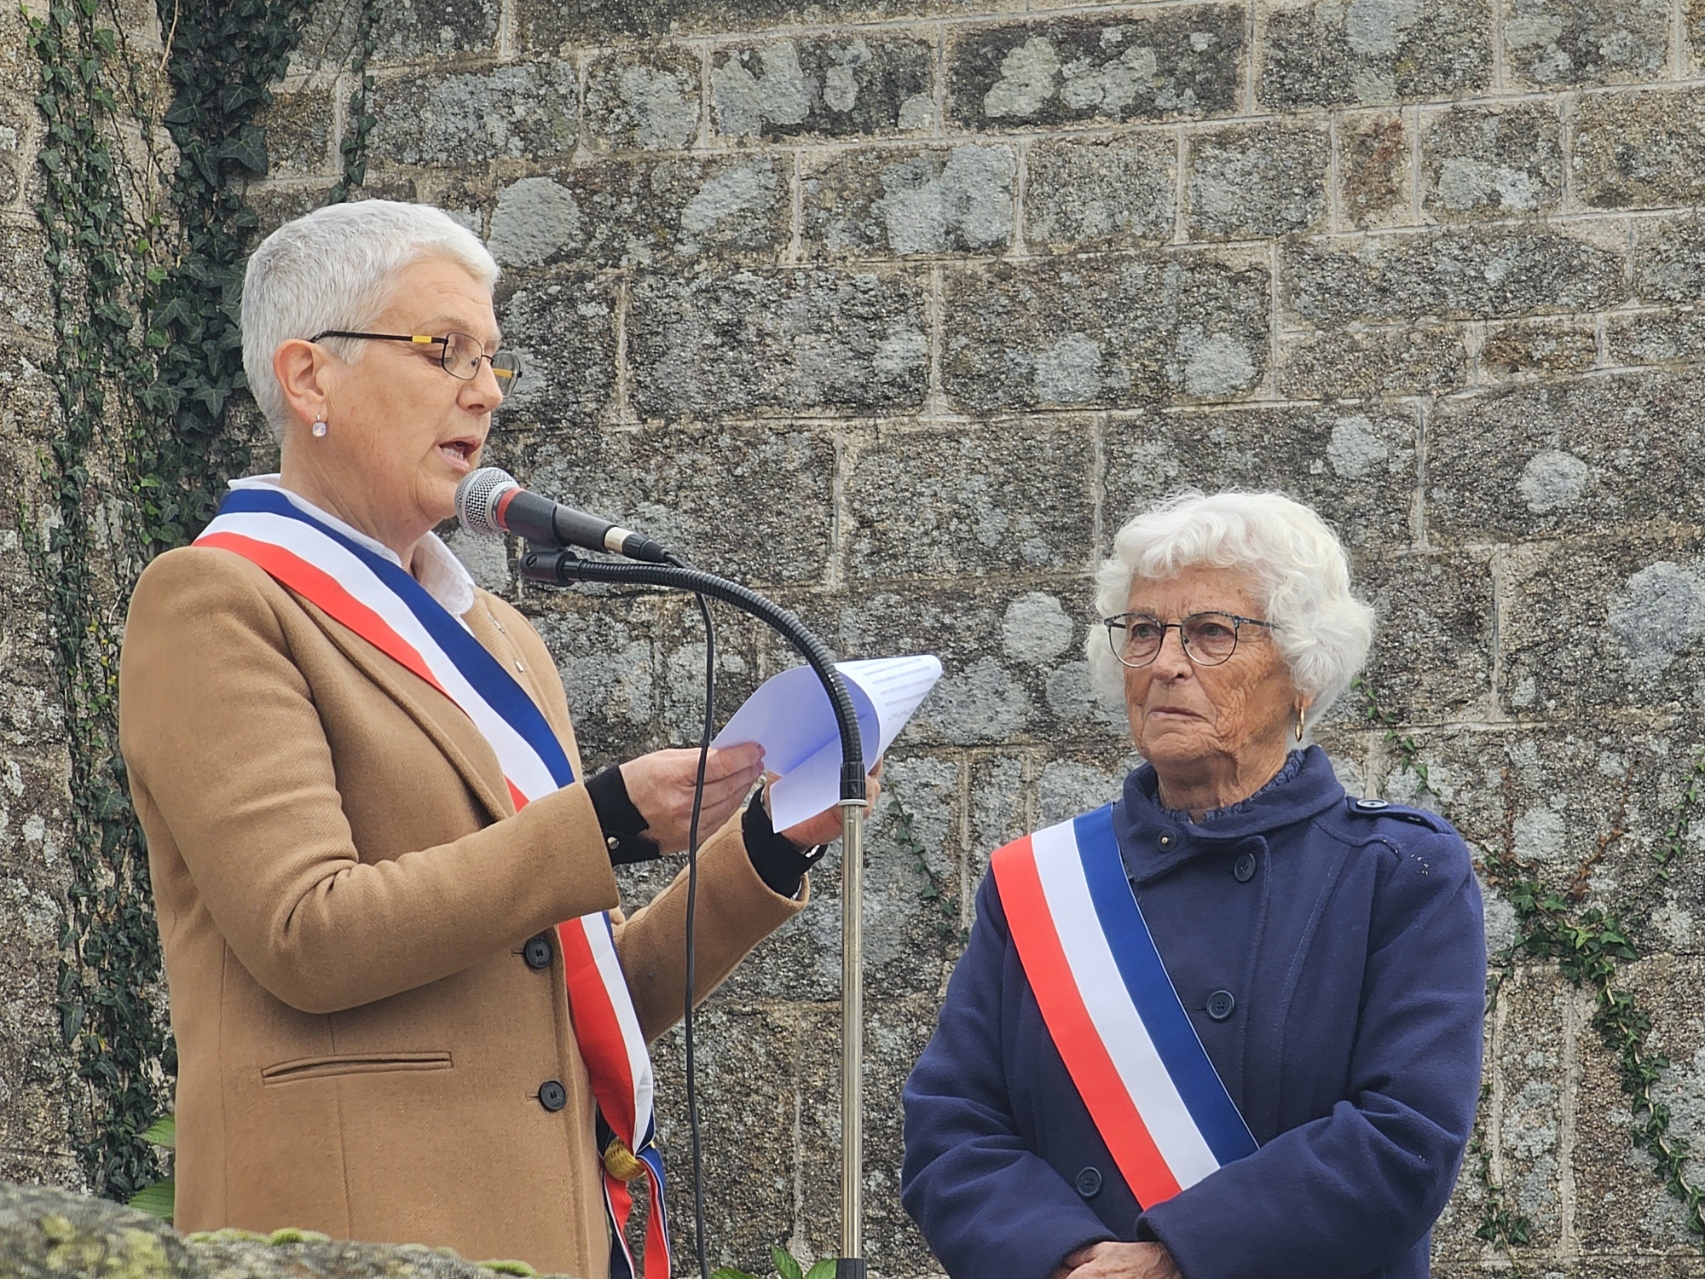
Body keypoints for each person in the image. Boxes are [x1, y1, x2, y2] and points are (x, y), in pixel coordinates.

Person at [118, 199, 868, 1277]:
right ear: (307, 377)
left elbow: (585, 996)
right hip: (349, 1230)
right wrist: (604, 819)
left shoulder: (499, 635)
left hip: (560, 1230)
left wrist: (770, 841)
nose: (484, 389)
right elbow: (305, 932)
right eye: (442, 350)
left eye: (490, 359)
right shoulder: (215, 600)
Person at [900, 490, 1485, 1279]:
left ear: (1301, 672)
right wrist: (1069, 1260)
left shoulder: (1395, 870)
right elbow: (951, 1129)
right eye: (1143, 630)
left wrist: (1175, 1259)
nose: (1165, 661)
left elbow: (1402, 1139)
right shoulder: (1034, 883)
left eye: (1211, 631)